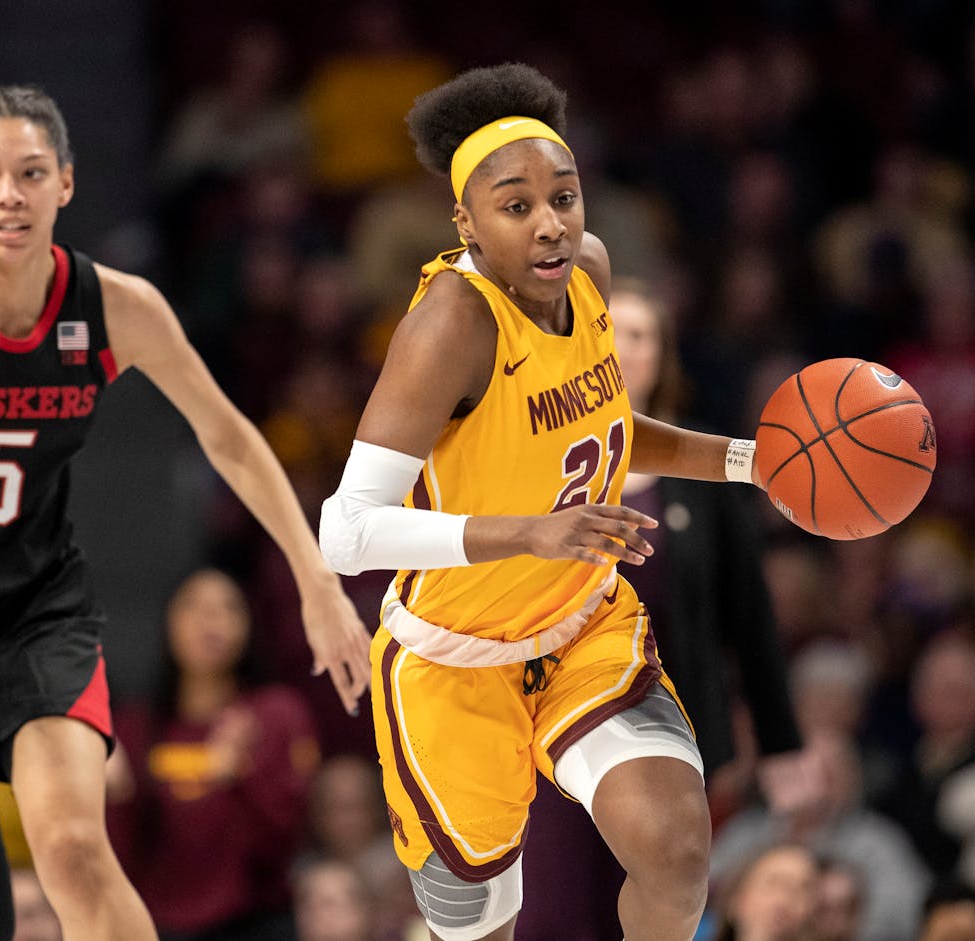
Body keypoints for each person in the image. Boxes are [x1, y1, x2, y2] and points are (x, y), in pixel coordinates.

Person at [0, 84, 372, 941]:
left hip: (32, 604)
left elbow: (230, 438)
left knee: (75, 848)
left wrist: (315, 577)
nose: (8, 194)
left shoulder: (117, 307)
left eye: (29, 172)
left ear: (66, 184)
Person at [319, 63, 765, 940]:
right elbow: (346, 532)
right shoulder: (452, 323)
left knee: (678, 857)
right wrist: (533, 530)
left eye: (563, 196)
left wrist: (754, 462)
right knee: (489, 925)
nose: (551, 223)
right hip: (452, 659)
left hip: (579, 627)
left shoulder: (589, 274)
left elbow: (610, 427)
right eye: (516, 205)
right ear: (468, 224)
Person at [518, 281, 805, 939]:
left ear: (663, 355)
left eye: (641, 334)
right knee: (555, 911)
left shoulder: (706, 462)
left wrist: (782, 742)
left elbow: (749, 615)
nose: (622, 347)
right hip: (552, 722)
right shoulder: (537, 455)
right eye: (608, 331)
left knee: (656, 905)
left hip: (675, 721)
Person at [106, 567, 318, 940]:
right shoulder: (134, 727)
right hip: (156, 926)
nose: (211, 620)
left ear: (249, 625)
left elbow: (286, 842)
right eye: (194, 607)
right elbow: (118, 859)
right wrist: (117, 797)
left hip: (254, 923)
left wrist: (238, 775)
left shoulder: (273, 715)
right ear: (168, 623)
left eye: (228, 608)